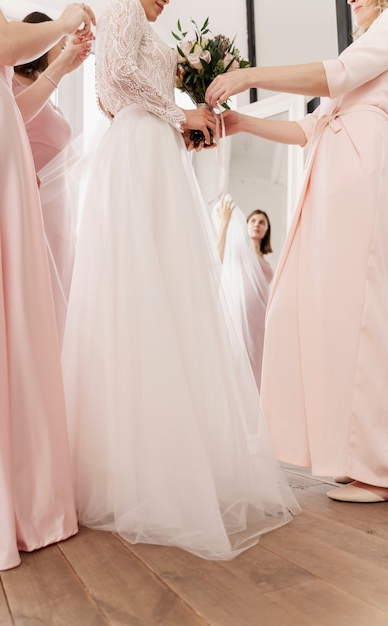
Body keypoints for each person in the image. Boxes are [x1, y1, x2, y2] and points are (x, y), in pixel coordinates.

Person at [61, 0, 299, 561]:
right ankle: (133, 468)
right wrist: (177, 116)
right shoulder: (120, 7)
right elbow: (112, 84)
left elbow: (122, 88)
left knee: (171, 290)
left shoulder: (149, 28)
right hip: (138, 151)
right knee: (137, 287)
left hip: (158, 152)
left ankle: (173, 456)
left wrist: (186, 123)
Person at [206, 0, 388, 503]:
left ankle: (376, 464)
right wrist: (244, 124)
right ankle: (355, 453)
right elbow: (307, 129)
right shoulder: (363, 45)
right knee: (321, 314)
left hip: (359, 174)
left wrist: (248, 76)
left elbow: (336, 75)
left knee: (362, 315)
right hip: (330, 182)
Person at [0, 0, 95, 572]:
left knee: (9, 315)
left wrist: (59, 68)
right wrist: (65, 20)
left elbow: (11, 103)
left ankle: (15, 495)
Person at [13, 12, 93, 348]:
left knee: (60, 300)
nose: (60, 50)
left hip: (60, 215)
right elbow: (3, 127)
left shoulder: (48, 91)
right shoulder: (9, 83)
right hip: (33, 207)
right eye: (55, 44)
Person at [215, 195, 273, 389]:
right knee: (238, 361)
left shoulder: (266, 263)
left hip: (261, 321)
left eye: (262, 222)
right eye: (253, 220)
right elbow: (217, 258)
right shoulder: (239, 250)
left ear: (266, 230)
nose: (257, 224)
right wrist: (224, 222)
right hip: (240, 316)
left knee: (259, 365)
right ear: (246, 225)